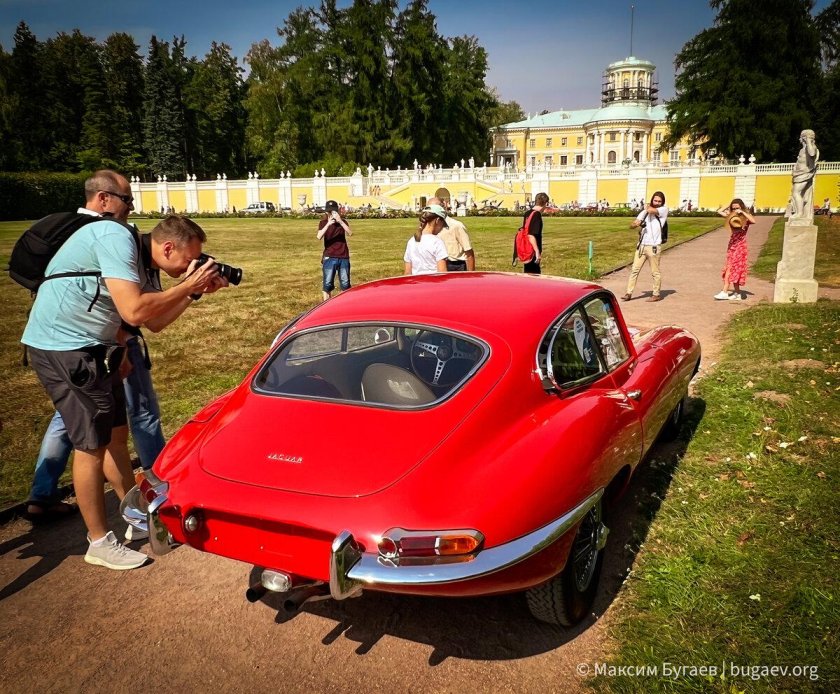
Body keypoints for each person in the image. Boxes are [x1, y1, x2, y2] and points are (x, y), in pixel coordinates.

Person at [21, 170, 226, 570]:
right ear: (168, 247)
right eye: (189, 261)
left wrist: (192, 294)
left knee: (116, 436)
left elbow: (153, 321)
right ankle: (99, 541)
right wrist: (186, 287)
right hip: (66, 347)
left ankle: (133, 517)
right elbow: (133, 310)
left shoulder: (138, 255)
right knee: (90, 445)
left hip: (97, 348)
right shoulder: (116, 238)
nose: (192, 267)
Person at [621, 191, 668, 302]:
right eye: (655, 200)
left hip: (653, 246)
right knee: (634, 270)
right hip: (641, 246)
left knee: (655, 272)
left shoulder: (663, 210)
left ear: (662, 202)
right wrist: (635, 224)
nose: (657, 203)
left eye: (659, 201)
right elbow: (632, 225)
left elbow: (652, 210)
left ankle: (656, 294)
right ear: (652, 200)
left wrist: (647, 206)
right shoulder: (644, 212)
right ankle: (628, 293)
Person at [714, 198, 756, 301]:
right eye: (733, 208)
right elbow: (719, 211)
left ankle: (724, 291)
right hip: (732, 245)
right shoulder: (732, 216)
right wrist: (730, 203)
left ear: (741, 207)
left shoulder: (745, 218)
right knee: (734, 269)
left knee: (730, 268)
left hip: (740, 246)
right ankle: (737, 293)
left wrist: (742, 212)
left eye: (737, 208)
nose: (735, 210)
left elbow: (753, 221)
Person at [317, 200, 352, 302]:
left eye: (334, 212)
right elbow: (319, 236)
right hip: (329, 256)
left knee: (345, 283)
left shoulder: (343, 222)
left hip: (343, 256)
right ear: (326, 212)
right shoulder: (323, 223)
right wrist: (328, 224)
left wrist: (340, 221)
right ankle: (326, 304)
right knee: (327, 284)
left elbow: (350, 233)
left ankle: (345, 304)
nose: (331, 214)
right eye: (329, 212)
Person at [428, 196, 475, 271]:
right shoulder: (427, 227)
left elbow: (469, 252)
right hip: (435, 265)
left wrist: (471, 275)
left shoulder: (456, 226)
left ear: (443, 207)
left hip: (455, 266)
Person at [403, 205, 448, 275]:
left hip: (416, 281)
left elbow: (407, 272)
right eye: (442, 225)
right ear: (438, 221)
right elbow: (442, 273)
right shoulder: (437, 242)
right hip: (433, 281)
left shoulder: (411, 241)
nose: (442, 228)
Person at [790, 129, 819, 220]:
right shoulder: (802, 150)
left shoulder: (811, 147)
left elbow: (812, 153)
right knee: (797, 193)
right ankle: (799, 212)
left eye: (801, 137)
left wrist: (808, 141)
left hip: (804, 174)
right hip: (799, 174)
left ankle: (799, 213)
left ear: (804, 138)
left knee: (796, 192)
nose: (799, 139)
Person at [521, 192, 547, 274]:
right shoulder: (537, 215)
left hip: (526, 247)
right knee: (534, 274)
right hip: (532, 250)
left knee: (527, 272)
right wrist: (537, 252)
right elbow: (531, 235)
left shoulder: (527, 213)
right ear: (545, 203)